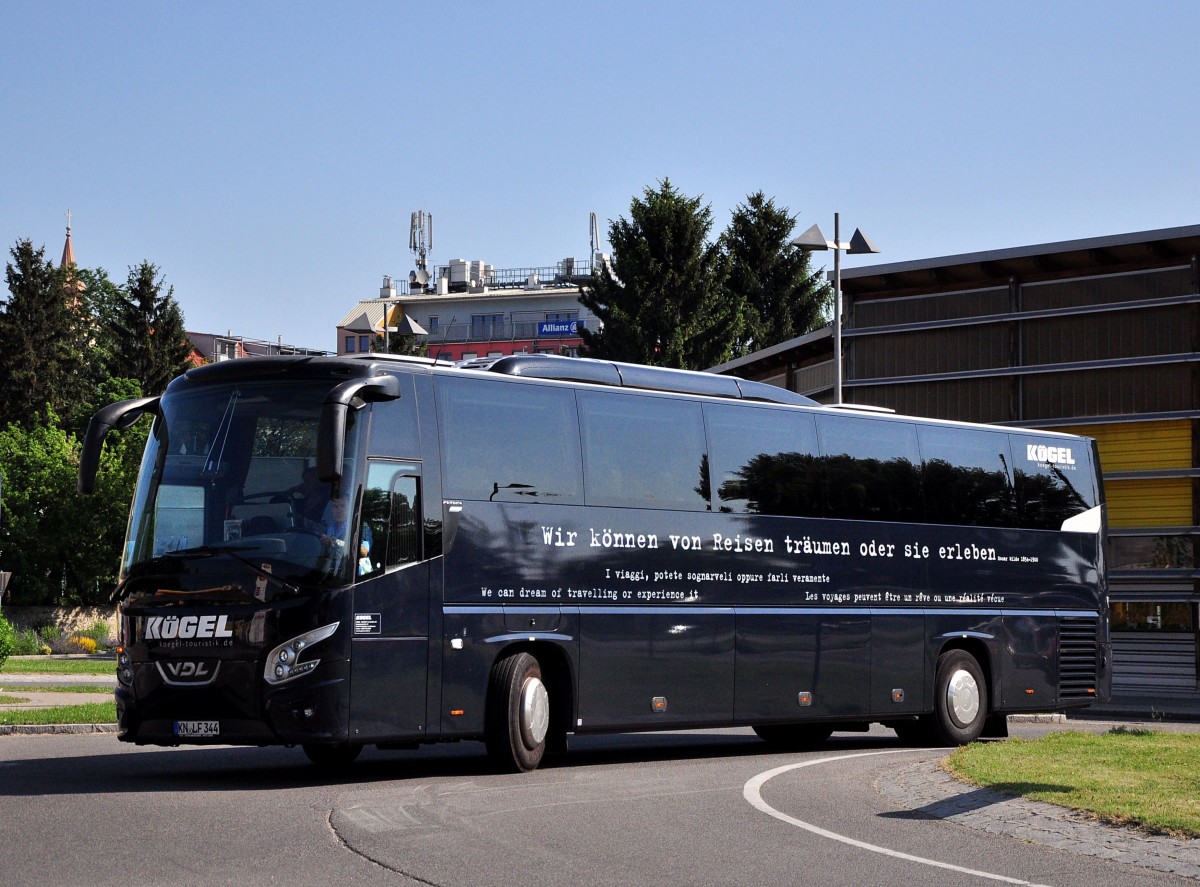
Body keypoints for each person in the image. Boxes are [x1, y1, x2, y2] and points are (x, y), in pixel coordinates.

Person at [320, 494, 373, 575]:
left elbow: (363, 551)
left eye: (343, 506)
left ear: (350, 508)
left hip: (359, 576)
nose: (339, 510)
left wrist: (336, 542)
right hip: (336, 573)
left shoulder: (361, 527)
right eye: (335, 507)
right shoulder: (329, 528)